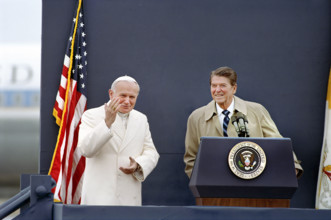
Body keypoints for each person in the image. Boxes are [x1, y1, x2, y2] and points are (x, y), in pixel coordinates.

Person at [184, 66, 303, 178]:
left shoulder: (257, 111)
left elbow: (277, 142)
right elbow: (191, 158)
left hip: (253, 183)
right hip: (214, 190)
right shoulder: (196, 117)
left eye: (223, 86)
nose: (217, 90)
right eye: (214, 85)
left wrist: (292, 165)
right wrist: (201, 184)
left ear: (234, 88)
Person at [77, 75, 159, 206]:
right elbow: (86, 150)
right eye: (123, 95)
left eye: (132, 97)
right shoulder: (91, 115)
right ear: (111, 93)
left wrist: (138, 165)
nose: (127, 101)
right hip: (99, 199)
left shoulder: (141, 119)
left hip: (129, 199)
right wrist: (107, 123)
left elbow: (151, 152)